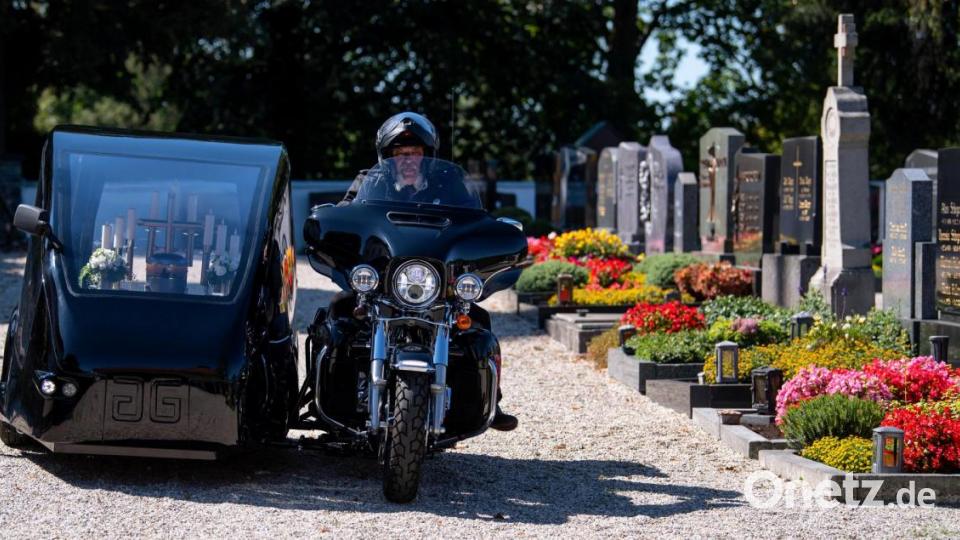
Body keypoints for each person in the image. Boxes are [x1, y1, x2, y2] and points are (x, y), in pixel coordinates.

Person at [336, 111, 518, 432]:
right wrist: (334, 224)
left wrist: (488, 234)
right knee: (337, 317)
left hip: (436, 281)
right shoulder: (369, 181)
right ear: (387, 155)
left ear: (426, 156)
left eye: (415, 153)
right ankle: (330, 398)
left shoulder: (449, 186)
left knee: (479, 323)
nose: (407, 159)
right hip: (383, 281)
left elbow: (475, 219)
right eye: (400, 153)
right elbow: (345, 215)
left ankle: (492, 400)